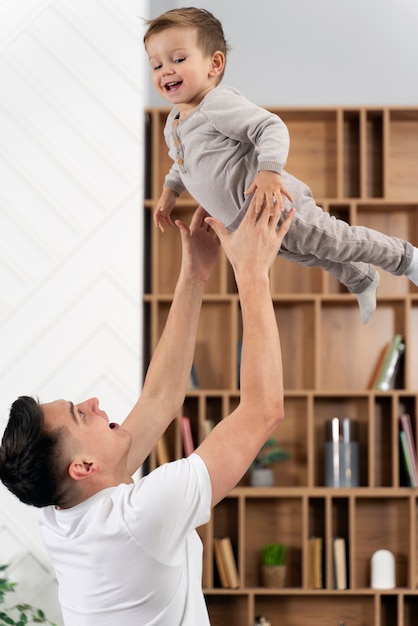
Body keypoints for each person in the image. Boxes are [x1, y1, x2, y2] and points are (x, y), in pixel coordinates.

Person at [0, 200, 295, 625]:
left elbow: (160, 400)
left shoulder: (59, 511)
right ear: (83, 466)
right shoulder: (137, 520)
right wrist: (252, 271)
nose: (94, 404)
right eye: (80, 415)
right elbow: (263, 410)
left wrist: (195, 273)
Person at [143, 6, 418, 325]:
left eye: (178, 59)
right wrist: (170, 191)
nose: (165, 71)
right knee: (309, 253)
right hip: (251, 222)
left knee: (332, 239)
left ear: (214, 64)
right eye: (156, 64)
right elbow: (182, 160)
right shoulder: (174, 121)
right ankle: (362, 279)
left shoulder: (216, 104)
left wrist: (269, 171)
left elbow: (270, 127)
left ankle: (405, 257)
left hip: (275, 204)